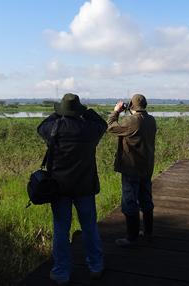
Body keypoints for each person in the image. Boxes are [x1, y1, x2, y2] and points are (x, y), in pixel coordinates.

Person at [37, 93, 107, 285]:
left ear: (62, 110)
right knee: (90, 228)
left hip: (59, 189)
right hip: (85, 187)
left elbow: (40, 126)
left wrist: (57, 114)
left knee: (61, 230)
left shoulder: (53, 128)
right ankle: (96, 266)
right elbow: (103, 124)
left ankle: (61, 272)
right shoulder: (89, 129)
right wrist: (88, 111)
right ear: (79, 110)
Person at [107, 94, 157, 247]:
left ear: (131, 106)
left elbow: (110, 127)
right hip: (146, 166)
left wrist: (116, 111)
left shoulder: (131, 121)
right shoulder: (151, 120)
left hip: (132, 168)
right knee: (146, 199)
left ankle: (131, 237)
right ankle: (148, 232)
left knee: (129, 202)